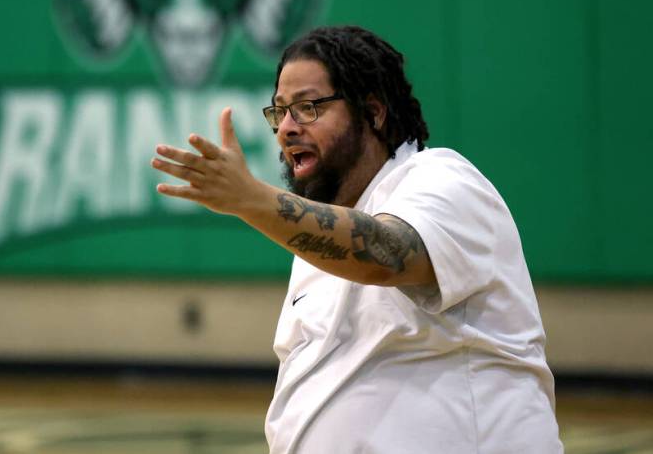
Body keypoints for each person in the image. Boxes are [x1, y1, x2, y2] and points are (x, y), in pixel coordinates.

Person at [151, 25, 562, 453]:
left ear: (373, 112)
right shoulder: (314, 247)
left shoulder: (443, 178)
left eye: (308, 107)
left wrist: (254, 200)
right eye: (280, 111)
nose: (286, 128)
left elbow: (386, 255)